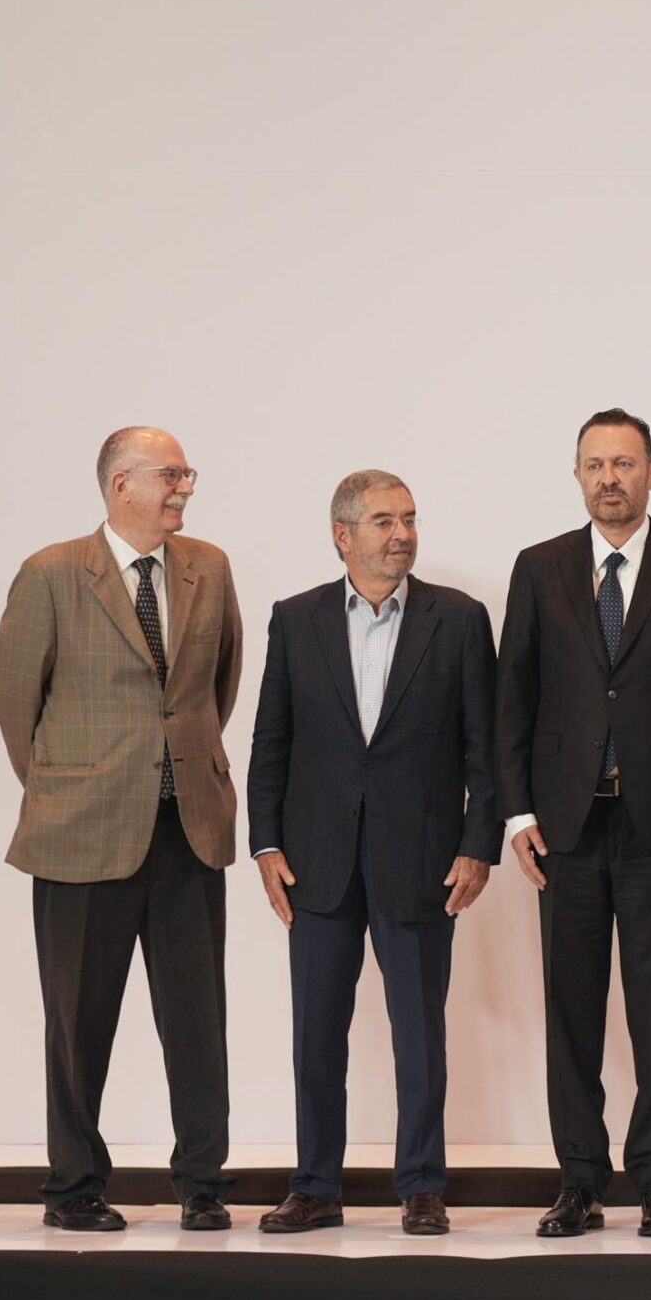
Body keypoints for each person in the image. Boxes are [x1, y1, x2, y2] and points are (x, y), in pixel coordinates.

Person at [496, 409, 651, 1239]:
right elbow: (514, 699)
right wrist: (518, 812)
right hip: (563, 825)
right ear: (577, 476)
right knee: (570, 1005)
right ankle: (578, 1179)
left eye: (625, 463)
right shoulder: (539, 568)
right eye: (596, 464)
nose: (610, 477)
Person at [0, 427, 244, 1232]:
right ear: (120, 483)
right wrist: (67, 787)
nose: (184, 488)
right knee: (77, 1019)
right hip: (81, 834)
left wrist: (178, 764)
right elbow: (12, 700)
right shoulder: (53, 572)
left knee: (199, 1020)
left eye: (186, 474)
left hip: (188, 832)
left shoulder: (210, 566)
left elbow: (218, 683)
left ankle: (203, 1183)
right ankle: (73, 1188)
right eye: (170, 475)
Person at [246, 470, 499, 1238]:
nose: (403, 534)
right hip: (315, 862)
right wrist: (264, 842)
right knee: (315, 1033)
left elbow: (483, 749)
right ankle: (315, 1186)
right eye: (385, 521)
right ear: (342, 534)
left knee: (419, 1033)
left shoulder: (458, 620)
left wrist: (477, 843)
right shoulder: (296, 619)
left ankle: (423, 1186)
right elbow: (271, 742)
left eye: (410, 519)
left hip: (421, 858)